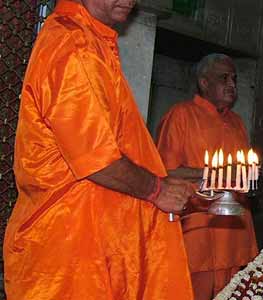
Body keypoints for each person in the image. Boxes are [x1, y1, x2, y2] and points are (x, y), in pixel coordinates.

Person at [4, 0, 196, 299]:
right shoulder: (71, 44)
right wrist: (157, 190)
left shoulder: (93, 40)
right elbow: (96, 160)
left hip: (95, 245)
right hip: (69, 250)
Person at [156, 53, 258, 300]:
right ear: (204, 82)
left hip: (235, 234)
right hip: (199, 231)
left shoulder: (236, 122)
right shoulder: (181, 115)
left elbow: (242, 173)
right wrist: (209, 174)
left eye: (234, 78)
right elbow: (164, 171)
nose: (232, 84)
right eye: (224, 78)